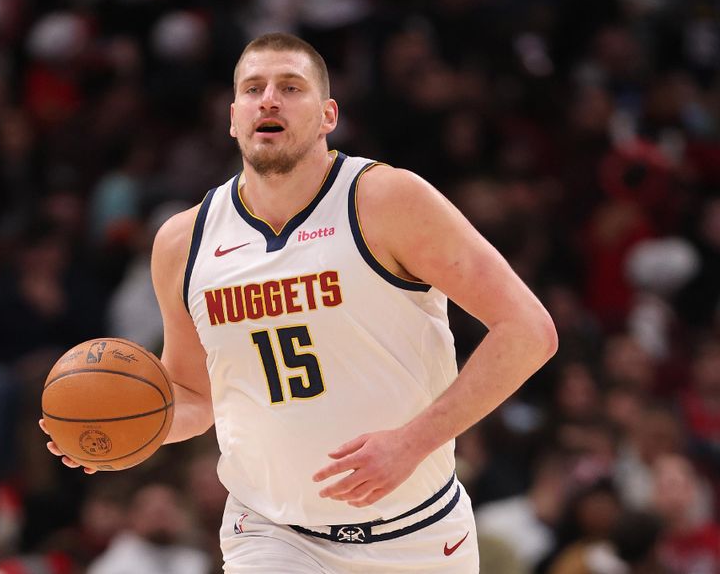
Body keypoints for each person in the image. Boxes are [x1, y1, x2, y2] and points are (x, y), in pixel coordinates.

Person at [41, 32, 558, 572]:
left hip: (419, 534)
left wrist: (413, 442)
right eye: (253, 88)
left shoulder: (387, 201)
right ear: (233, 117)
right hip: (272, 533)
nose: (269, 99)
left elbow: (528, 331)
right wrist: (121, 429)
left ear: (328, 114)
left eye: (291, 87)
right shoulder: (182, 241)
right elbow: (196, 394)